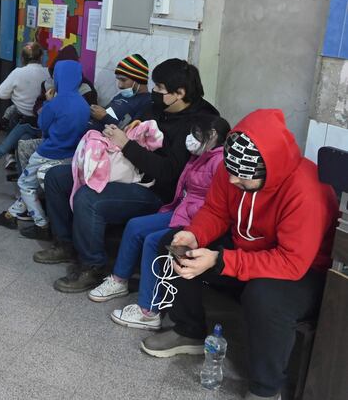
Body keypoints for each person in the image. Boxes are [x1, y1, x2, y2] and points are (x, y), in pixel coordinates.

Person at [140, 109, 338, 400]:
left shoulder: (306, 189)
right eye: (230, 174)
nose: (232, 182)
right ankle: (189, 329)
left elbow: (292, 263)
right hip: (248, 249)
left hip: (303, 270)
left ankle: (266, 389)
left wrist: (221, 261)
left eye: (242, 180)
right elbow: (216, 211)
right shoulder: (232, 170)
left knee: (265, 295)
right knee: (175, 244)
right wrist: (195, 234)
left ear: (267, 172)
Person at [34, 58, 219, 292]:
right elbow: (134, 130)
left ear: (180, 93)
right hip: (127, 170)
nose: (154, 92)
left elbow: (170, 172)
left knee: (89, 198)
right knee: (57, 177)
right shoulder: (157, 106)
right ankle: (64, 243)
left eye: (160, 88)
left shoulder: (201, 123)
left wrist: (127, 146)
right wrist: (116, 135)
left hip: (157, 192)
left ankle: (93, 266)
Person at [88, 115, 229, 331]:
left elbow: (213, 205)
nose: (191, 139)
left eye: (197, 135)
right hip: (182, 211)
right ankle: (119, 280)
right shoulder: (199, 156)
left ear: (212, 137)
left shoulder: (219, 162)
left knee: (154, 241)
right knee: (135, 226)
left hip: (196, 220)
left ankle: (148, 311)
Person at [0, 60, 90, 233]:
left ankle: (41, 224)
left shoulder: (57, 102)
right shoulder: (83, 104)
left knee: (25, 184)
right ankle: (10, 215)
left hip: (49, 151)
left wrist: (48, 102)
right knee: (31, 182)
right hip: (70, 154)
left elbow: (43, 124)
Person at [0, 42, 50, 168]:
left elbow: (1, 94)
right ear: (41, 57)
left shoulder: (18, 73)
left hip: (28, 118)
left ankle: (0, 156)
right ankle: (10, 157)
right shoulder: (47, 73)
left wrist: (16, 96)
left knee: (14, 116)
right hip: (42, 118)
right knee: (22, 129)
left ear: (22, 58)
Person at [89, 54, 152, 131]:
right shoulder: (122, 95)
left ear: (138, 80)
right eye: (118, 80)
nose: (119, 85)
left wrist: (104, 117)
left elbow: (131, 133)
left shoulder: (147, 102)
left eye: (123, 80)